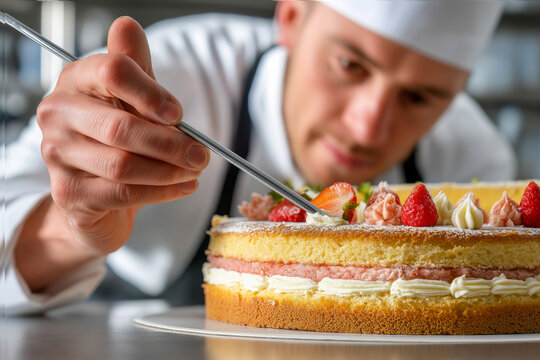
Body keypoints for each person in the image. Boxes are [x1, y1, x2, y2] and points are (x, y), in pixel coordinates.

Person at [5, 0, 514, 315]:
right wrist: (71, 228)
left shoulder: (475, 159)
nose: (368, 127)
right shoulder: (169, 79)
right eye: (349, 64)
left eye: (420, 98)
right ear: (290, 17)